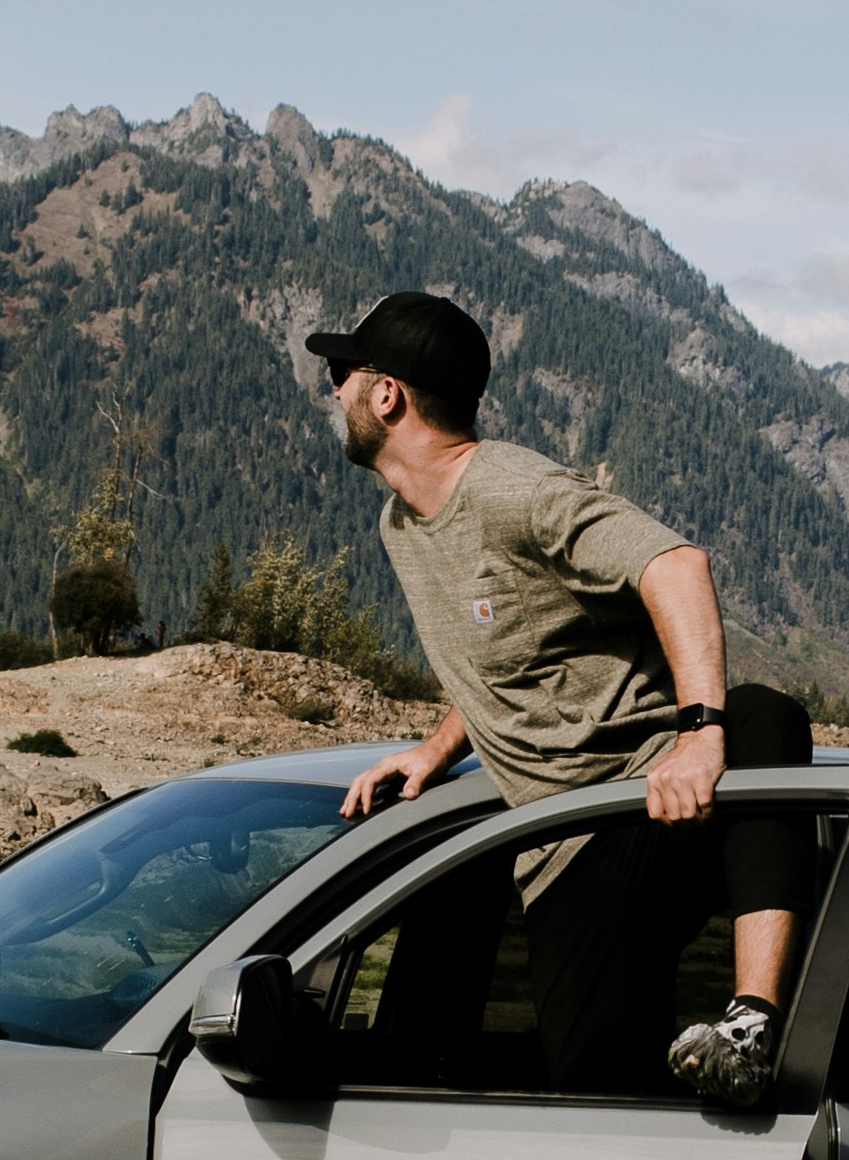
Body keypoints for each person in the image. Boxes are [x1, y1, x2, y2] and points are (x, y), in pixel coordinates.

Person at [313, 288, 815, 1105]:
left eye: (340, 372)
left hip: (650, 798)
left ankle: (751, 1022)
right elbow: (494, 652)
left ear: (385, 393)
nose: (331, 391)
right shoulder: (399, 526)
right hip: (561, 857)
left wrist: (697, 734)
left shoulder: (513, 490)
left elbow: (676, 566)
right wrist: (438, 747)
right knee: (595, 1098)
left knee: (761, 717)